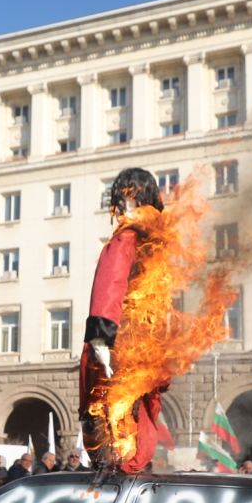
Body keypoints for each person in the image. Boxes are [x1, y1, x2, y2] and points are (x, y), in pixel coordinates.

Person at [80, 167, 169, 473]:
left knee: (112, 439)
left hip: (118, 349)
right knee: (137, 431)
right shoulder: (157, 248)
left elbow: (109, 288)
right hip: (144, 355)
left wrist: (101, 346)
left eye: (125, 195)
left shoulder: (126, 240)